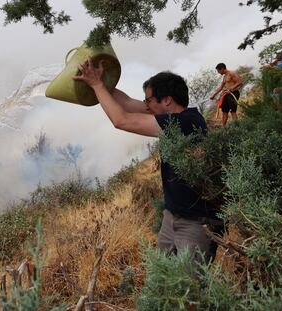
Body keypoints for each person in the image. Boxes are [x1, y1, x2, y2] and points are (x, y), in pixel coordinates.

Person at [73, 58, 221, 264]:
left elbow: (122, 120)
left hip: (196, 222)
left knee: (189, 287)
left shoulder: (185, 123)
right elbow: (126, 103)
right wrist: (101, 81)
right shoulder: (178, 116)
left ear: (167, 100)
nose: (146, 105)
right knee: (162, 279)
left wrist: (97, 86)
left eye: (149, 100)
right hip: (173, 216)